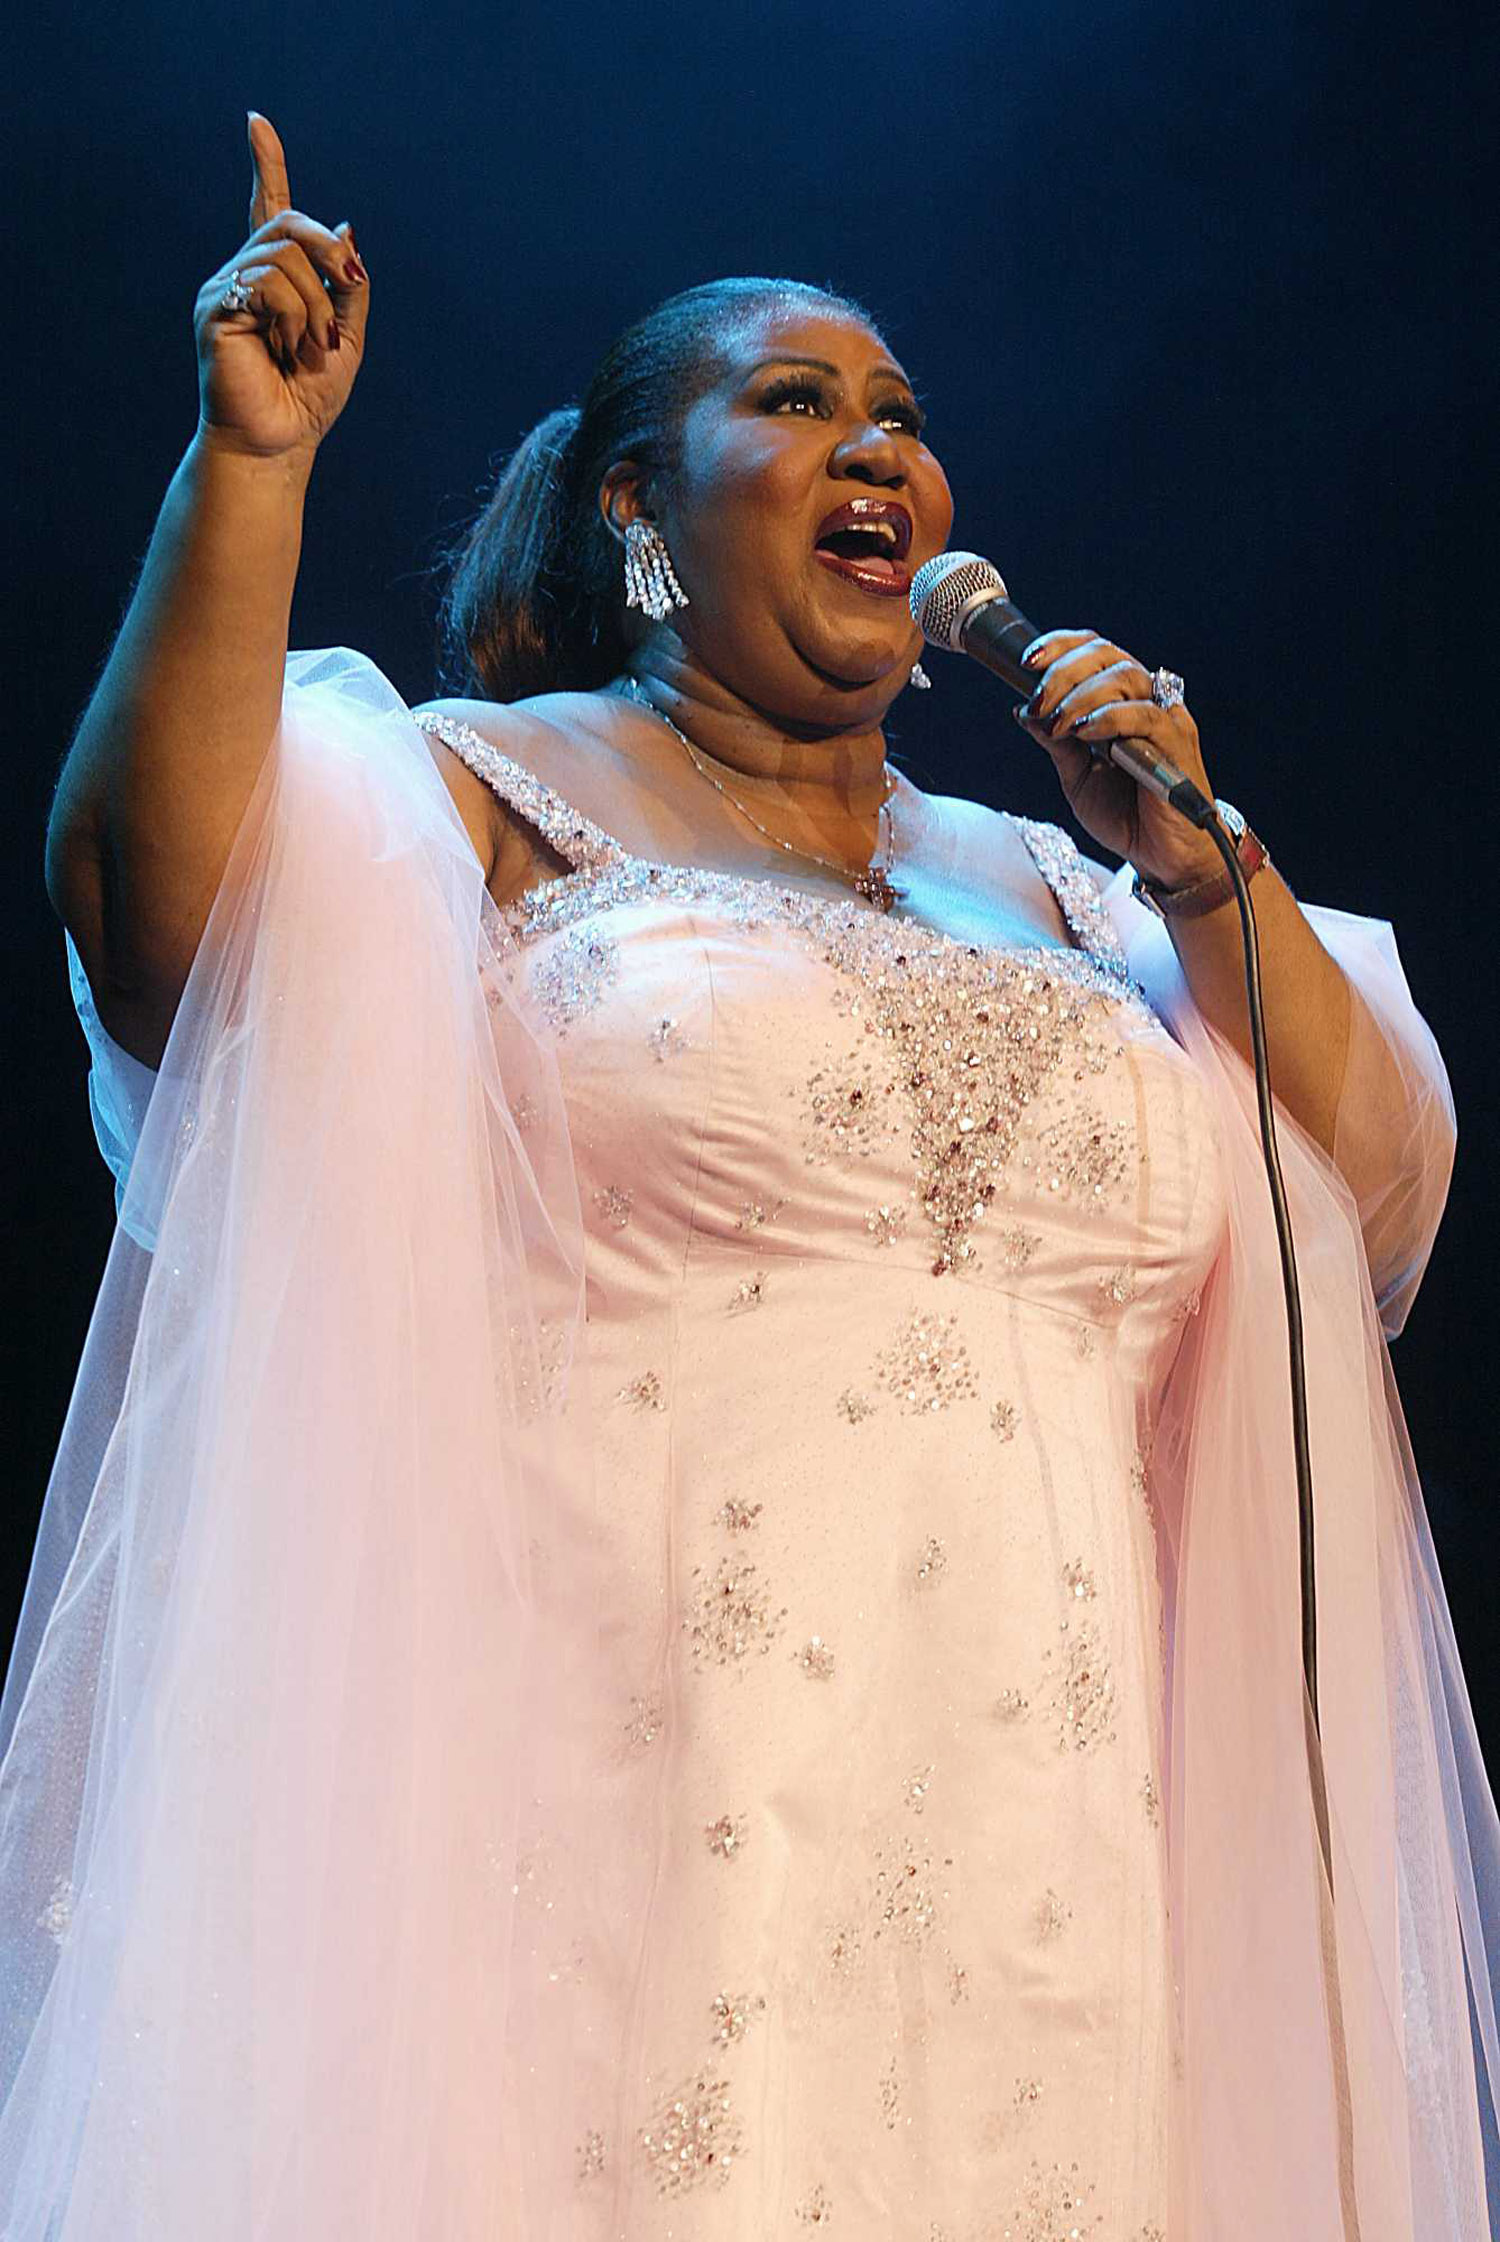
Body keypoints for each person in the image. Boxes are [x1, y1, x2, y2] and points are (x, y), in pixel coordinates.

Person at [1, 110, 1494, 2240]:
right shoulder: (477, 795)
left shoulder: (1074, 893)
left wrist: (1204, 867)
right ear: (639, 507)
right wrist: (249, 468)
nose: (878, 447)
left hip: (1063, 1896)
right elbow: (171, 935)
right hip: (628, 1841)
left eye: (904, 415)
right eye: (796, 402)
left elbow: (1370, 1192)